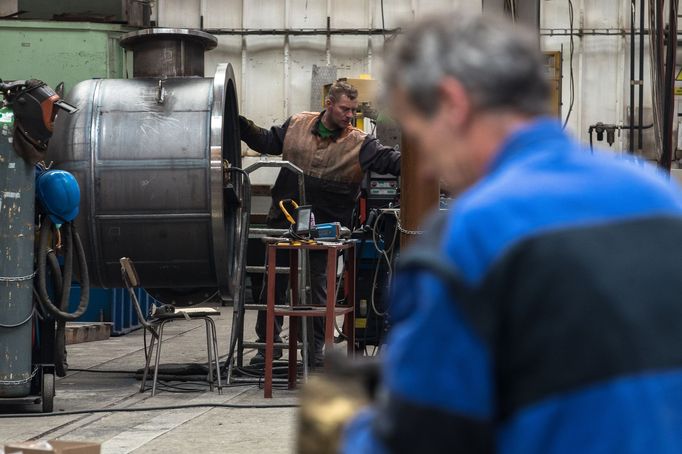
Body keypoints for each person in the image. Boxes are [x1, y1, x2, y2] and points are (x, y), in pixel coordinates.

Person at [341, 12, 682, 454]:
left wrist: (342, 428)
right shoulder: (660, 200)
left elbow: (418, 438)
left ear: (452, 103)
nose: (424, 165)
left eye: (420, 136)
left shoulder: (468, 239)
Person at [239, 80, 400, 365]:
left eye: (353, 110)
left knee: (318, 289)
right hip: (284, 220)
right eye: (344, 109)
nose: (349, 115)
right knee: (273, 285)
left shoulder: (359, 142)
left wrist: (422, 156)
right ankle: (268, 346)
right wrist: (240, 124)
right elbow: (266, 141)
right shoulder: (297, 124)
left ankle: (312, 352)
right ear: (328, 104)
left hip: (325, 229)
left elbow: (389, 160)